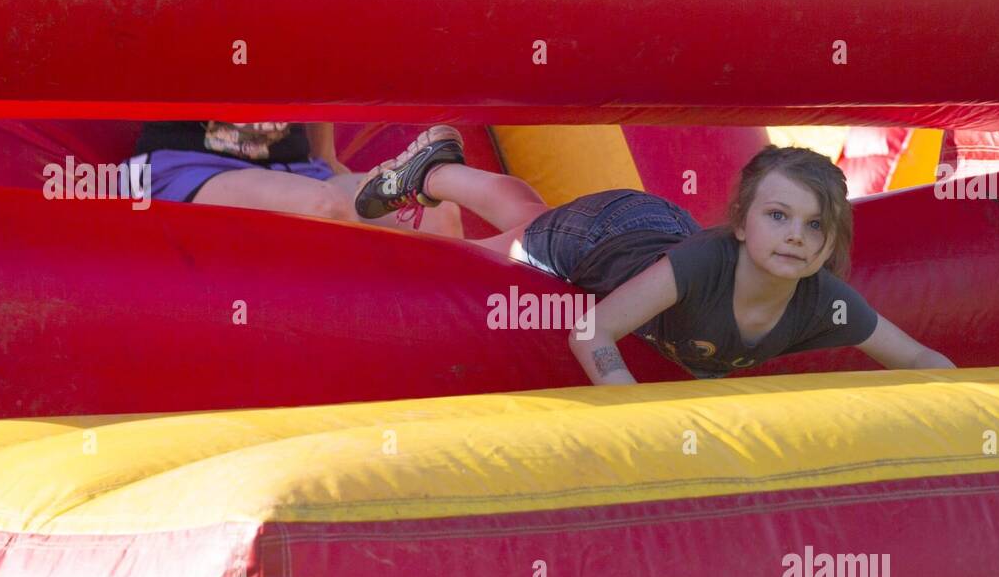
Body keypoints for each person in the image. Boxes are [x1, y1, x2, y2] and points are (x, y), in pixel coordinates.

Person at [353, 126, 956, 384]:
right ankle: (426, 179)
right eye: (778, 217)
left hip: (660, 230)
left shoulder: (826, 302)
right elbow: (591, 332)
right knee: (489, 258)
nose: (796, 236)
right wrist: (631, 407)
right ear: (742, 223)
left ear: (829, 244)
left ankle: (436, 167)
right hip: (602, 236)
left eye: (814, 226)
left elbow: (918, 357)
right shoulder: (702, 268)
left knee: (527, 216)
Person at [125, 120, 463, 234]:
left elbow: (317, 70)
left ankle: (452, 372)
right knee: (320, 209)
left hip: (295, 168)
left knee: (435, 215)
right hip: (188, 166)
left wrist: (325, 156)